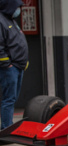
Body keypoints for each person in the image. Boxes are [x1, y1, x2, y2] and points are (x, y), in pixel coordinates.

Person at [0, 0, 27, 130]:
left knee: (12, 99)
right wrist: (7, 64)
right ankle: (6, 129)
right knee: (8, 99)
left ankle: (8, 128)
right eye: (17, 6)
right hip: (9, 69)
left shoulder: (10, 20)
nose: (19, 9)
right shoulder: (1, 21)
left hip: (18, 66)